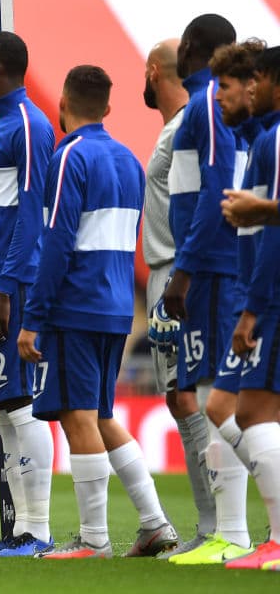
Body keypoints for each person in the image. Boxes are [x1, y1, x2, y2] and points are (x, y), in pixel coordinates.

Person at [19, 65, 177, 559]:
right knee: (103, 414)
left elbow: (58, 241)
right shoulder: (130, 159)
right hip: (114, 307)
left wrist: (33, 317)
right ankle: (154, 523)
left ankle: (93, 540)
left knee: (77, 416)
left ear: (62, 104)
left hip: (75, 306)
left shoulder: (69, 157)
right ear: (108, 108)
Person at [165, 38, 265, 564]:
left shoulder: (204, 105)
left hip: (215, 272)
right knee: (219, 398)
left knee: (219, 399)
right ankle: (231, 532)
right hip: (220, 268)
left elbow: (214, 192)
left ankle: (234, 532)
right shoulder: (227, 113)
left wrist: (184, 270)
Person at [0, 31, 56, 555]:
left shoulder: (26, 124)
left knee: (21, 402)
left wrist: (4, 288)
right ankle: (23, 529)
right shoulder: (2, 125)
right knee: (4, 407)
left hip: (10, 282)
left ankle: (39, 530)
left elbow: (31, 213)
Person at [140, 39, 217, 549]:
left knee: (191, 397)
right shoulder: (175, 128)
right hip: (168, 274)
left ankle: (217, 526)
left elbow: (202, 205)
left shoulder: (183, 129)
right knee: (180, 397)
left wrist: (182, 277)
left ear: (153, 72)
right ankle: (214, 525)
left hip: (176, 275)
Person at [221, 45, 280, 570]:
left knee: (249, 412)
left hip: (270, 297)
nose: (249, 89)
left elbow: (269, 236)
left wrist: (252, 307)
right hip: (263, 294)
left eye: (257, 79)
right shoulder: (261, 140)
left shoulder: (274, 140)